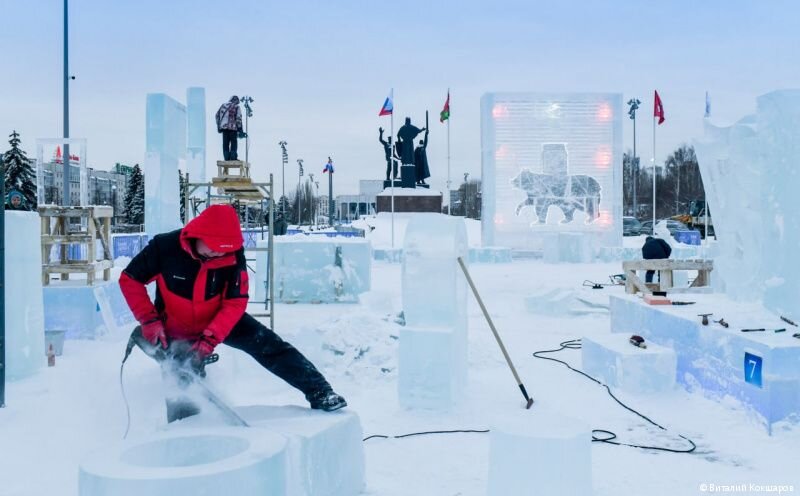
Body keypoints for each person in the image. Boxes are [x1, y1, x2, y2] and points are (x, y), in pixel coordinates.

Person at [119, 205, 346, 421]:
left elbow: (235, 301)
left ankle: (320, 392)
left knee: (270, 345)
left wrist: (209, 340)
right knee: (181, 380)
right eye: (213, 247)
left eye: (223, 250)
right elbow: (130, 280)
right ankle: (186, 433)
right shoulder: (164, 247)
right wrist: (149, 320)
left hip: (220, 318)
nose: (218, 253)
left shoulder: (233, 253)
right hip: (175, 326)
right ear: (198, 234)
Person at [216, 96, 244, 161]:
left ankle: (226, 158)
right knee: (233, 143)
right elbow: (238, 118)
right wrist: (240, 129)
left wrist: (219, 126)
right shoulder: (237, 107)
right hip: (233, 128)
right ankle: (233, 157)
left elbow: (217, 116)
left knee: (225, 143)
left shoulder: (223, 106)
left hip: (224, 128)